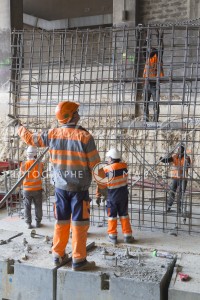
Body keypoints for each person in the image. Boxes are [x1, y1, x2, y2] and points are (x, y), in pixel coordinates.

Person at [17, 101, 101, 271]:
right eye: (76, 112)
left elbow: (29, 138)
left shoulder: (52, 134)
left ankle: (58, 254)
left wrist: (18, 127)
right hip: (79, 190)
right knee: (79, 223)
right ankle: (79, 260)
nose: (78, 114)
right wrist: (103, 187)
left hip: (61, 189)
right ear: (70, 116)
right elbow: (96, 166)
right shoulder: (85, 137)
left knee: (61, 221)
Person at [96, 148, 134, 244]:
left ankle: (112, 236)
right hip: (123, 195)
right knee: (124, 215)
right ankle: (128, 236)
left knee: (112, 216)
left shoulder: (106, 170)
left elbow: (101, 185)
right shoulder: (124, 167)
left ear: (111, 158)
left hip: (111, 197)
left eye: (108, 158)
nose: (107, 160)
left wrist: (98, 195)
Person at [19, 146, 44, 229]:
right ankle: (38, 222)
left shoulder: (23, 164)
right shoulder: (40, 164)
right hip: (37, 189)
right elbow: (42, 175)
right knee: (38, 206)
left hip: (26, 189)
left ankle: (28, 223)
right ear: (36, 154)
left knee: (27, 206)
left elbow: (20, 177)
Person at [160, 145, 191, 212]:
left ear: (183, 151)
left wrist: (186, 163)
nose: (179, 151)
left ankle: (179, 208)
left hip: (183, 178)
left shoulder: (187, 158)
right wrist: (162, 159)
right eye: (178, 150)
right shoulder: (175, 156)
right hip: (175, 177)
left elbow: (188, 166)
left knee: (180, 193)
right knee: (172, 192)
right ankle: (169, 207)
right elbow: (168, 160)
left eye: (180, 150)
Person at [143, 30, 164, 122]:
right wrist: (147, 38)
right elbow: (144, 48)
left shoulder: (157, 57)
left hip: (154, 85)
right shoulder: (147, 57)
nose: (150, 50)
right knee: (145, 104)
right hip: (146, 84)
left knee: (156, 103)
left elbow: (161, 48)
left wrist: (159, 37)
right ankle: (146, 120)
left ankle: (155, 120)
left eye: (151, 49)